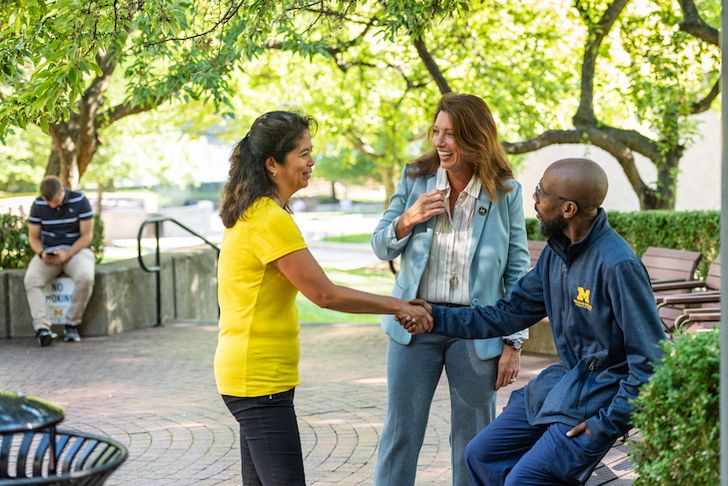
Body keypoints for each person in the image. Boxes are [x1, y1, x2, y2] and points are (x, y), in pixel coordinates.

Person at [403, 158, 666, 485]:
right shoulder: (558, 254)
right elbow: (505, 314)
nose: (535, 198)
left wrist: (607, 423)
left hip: (598, 399)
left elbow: (652, 360)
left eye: (542, 192)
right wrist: (434, 317)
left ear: (568, 209)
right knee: (480, 454)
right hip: (560, 385)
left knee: (523, 480)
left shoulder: (617, 265)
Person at [213, 110, 432, 486]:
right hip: (257, 380)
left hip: (254, 376)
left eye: (310, 151)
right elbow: (324, 294)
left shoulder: (261, 212)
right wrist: (398, 305)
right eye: (302, 153)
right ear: (272, 164)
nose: (311, 161)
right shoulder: (269, 220)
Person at [371, 93, 530, 486]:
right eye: (436, 132)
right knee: (401, 433)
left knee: (473, 440)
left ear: (476, 138)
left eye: (451, 135)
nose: (440, 143)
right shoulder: (415, 179)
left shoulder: (505, 192)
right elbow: (380, 243)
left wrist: (514, 341)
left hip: (475, 328)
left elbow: (517, 268)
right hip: (415, 321)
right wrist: (408, 219)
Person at [24, 175, 95, 347]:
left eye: (54, 201)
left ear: (62, 190)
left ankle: (72, 324)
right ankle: (42, 329)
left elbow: (87, 236)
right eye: (48, 202)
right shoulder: (38, 204)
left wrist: (68, 253)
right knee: (31, 280)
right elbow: (33, 237)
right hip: (48, 253)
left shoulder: (80, 201)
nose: (51, 205)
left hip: (75, 251)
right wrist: (42, 253)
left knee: (85, 277)